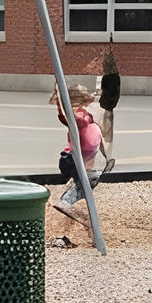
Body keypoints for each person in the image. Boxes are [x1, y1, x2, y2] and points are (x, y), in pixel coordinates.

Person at [52, 83, 107, 227]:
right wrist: (59, 100)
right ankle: (70, 206)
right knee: (84, 183)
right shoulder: (79, 116)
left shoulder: (84, 115)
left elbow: (70, 116)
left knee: (84, 184)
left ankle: (73, 207)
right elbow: (65, 116)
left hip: (82, 161)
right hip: (75, 159)